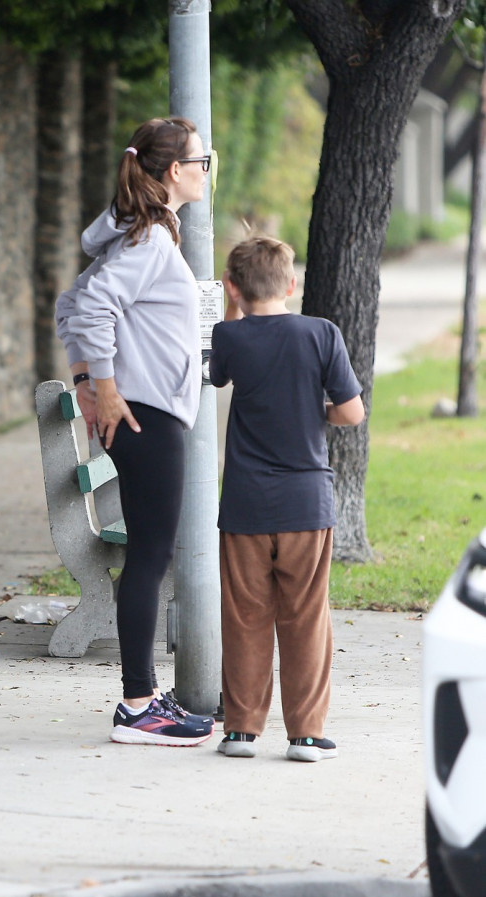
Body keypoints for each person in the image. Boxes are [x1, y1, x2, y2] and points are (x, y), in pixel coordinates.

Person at [55, 117, 214, 747]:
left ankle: (143, 699)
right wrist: (105, 387)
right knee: (151, 556)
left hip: (143, 412)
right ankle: (138, 705)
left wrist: (87, 381)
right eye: (202, 161)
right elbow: (89, 308)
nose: (207, 171)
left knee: (151, 554)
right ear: (174, 171)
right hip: (146, 414)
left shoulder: (141, 235)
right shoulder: (148, 241)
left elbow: (72, 302)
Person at [209, 235, 365, 762]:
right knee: (305, 616)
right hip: (306, 503)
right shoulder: (322, 333)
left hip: (246, 505)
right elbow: (351, 413)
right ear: (292, 284)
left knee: (246, 616)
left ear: (233, 286)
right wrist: (312, 409)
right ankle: (306, 734)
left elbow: (221, 365)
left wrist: (232, 305)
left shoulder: (228, 338)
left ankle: (241, 731)